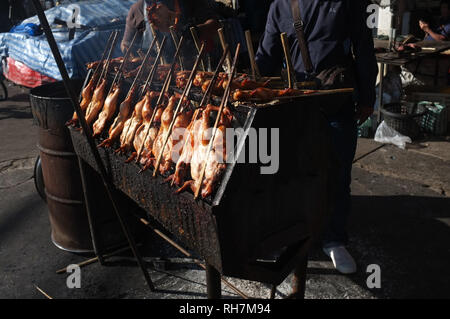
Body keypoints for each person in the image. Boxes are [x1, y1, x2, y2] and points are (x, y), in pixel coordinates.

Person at [255, 0, 378, 274]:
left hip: (338, 100)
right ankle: (297, 232)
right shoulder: (280, 6)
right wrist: (247, 83)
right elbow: (267, 56)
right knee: (292, 172)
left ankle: (334, 239)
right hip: (295, 104)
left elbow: (364, 48)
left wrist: (368, 96)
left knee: (338, 170)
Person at [121, 0, 221, 64]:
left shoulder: (190, 2)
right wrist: (136, 55)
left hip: (194, 68)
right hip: (157, 75)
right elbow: (126, 45)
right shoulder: (137, 9)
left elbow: (215, 24)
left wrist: (196, 31)